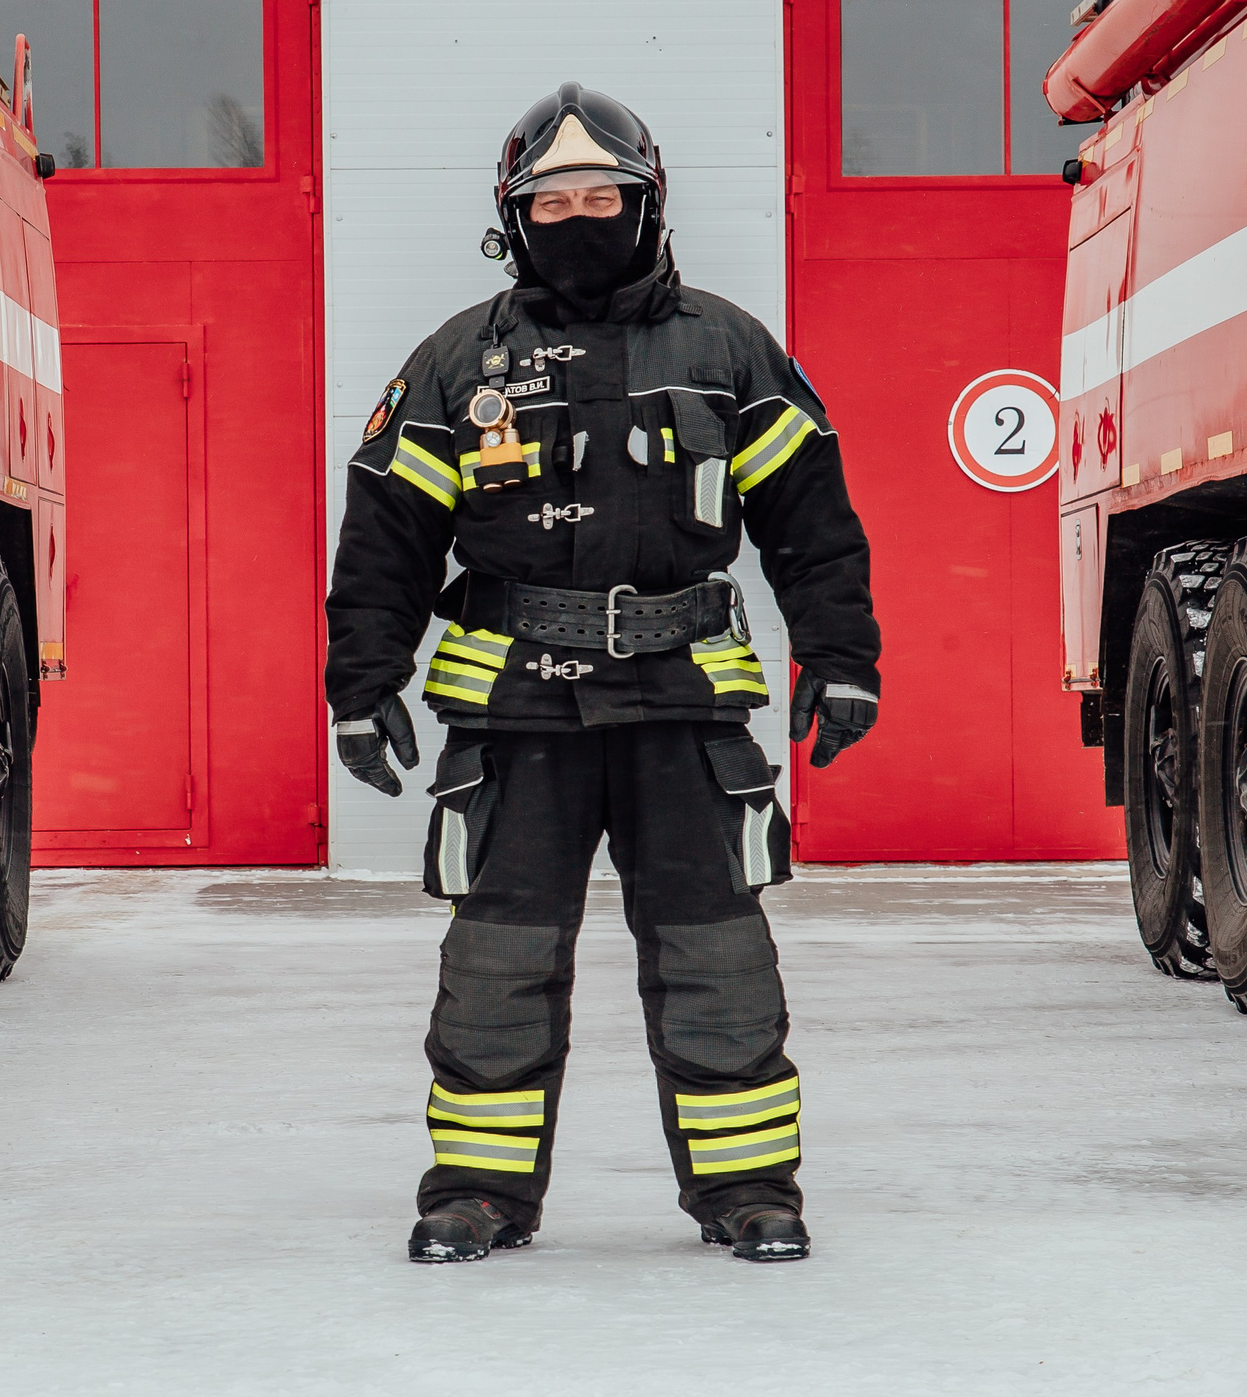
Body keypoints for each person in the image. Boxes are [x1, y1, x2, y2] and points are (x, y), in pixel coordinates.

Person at [326, 83, 881, 1264]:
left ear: (650, 203)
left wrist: (842, 659)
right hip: (513, 711)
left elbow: (811, 524)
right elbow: (384, 539)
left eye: (603, 197)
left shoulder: (727, 349)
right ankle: (474, 1192)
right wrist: (361, 683)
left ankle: (749, 1193)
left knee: (716, 958)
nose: (580, 216)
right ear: (513, 219)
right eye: (555, 200)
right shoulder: (454, 363)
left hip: (683, 711)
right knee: (497, 964)